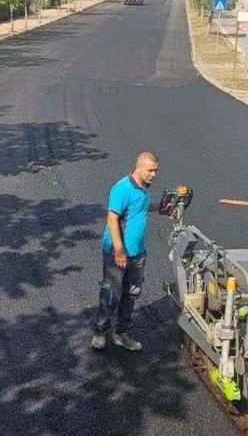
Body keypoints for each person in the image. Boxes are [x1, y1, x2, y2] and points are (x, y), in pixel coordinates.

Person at [91, 151, 159, 352]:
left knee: (131, 293)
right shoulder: (122, 188)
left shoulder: (145, 188)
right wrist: (119, 250)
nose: (154, 175)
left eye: (156, 171)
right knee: (111, 292)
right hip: (118, 252)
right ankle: (100, 331)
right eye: (150, 170)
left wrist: (162, 207)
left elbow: (141, 207)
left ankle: (121, 333)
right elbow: (112, 219)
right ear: (139, 167)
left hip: (138, 252)